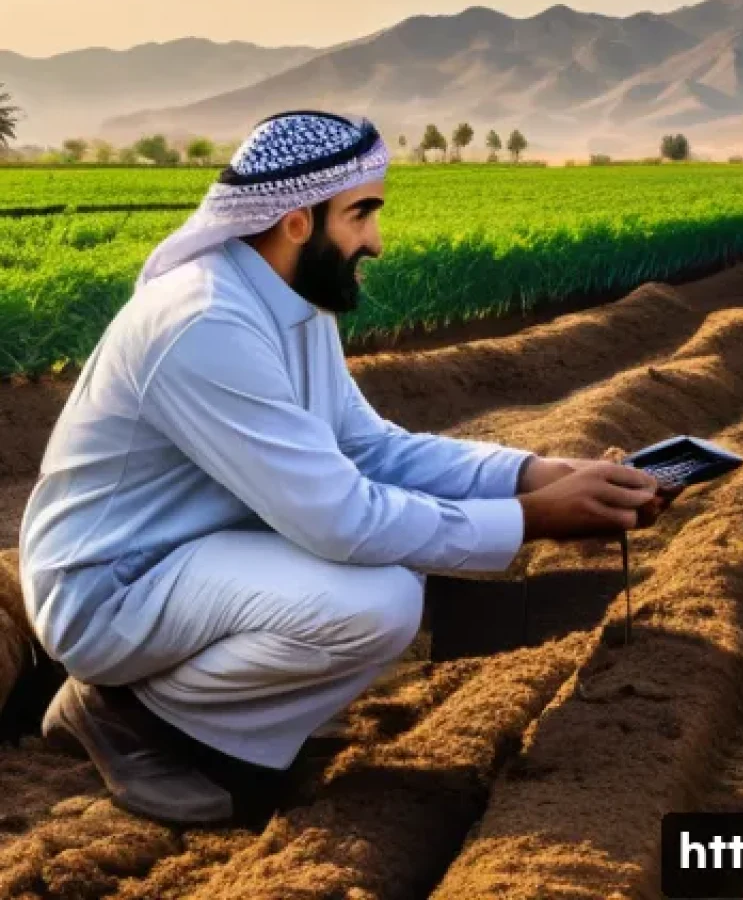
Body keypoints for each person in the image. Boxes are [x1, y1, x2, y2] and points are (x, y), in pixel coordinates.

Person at [18, 110, 663, 826]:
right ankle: (126, 713)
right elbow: (337, 519)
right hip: (113, 583)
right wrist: (533, 521)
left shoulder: (289, 299)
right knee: (375, 602)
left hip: (197, 553)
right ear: (297, 220)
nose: (375, 242)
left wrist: (531, 474)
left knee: (393, 571)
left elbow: (368, 448)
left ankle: (218, 717)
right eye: (361, 215)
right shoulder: (205, 324)